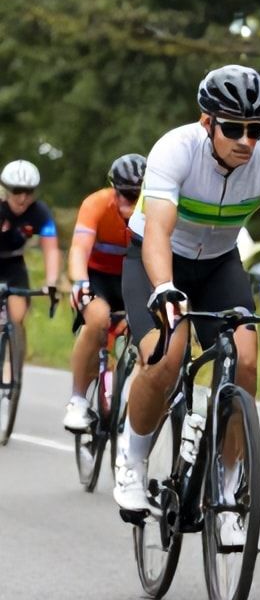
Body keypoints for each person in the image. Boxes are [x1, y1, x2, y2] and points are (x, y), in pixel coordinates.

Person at [112, 64, 260, 546]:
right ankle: (134, 459)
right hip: (156, 261)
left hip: (220, 264)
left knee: (245, 360)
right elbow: (157, 231)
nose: (246, 140)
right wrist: (163, 288)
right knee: (166, 357)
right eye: (233, 128)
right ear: (208, 122)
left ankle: (227, 494)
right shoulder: (175, 148)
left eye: (257, 129)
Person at [63, 155, 142, 431]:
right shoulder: (96, 203)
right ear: (113, 188)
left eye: (135, 196)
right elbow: (79, 249)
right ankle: (77, 400)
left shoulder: (155, 209)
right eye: (122, 194)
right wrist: (79, 281)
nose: (127, 203)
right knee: (97, 319)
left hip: (134, 278)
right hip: (98, 278)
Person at [0, 159, 61, 365]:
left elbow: (51, 249)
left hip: (14, 263)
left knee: (17, 316)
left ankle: (12, 368)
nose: (23, 198)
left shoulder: (39, 212)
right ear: (7, 190)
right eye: (17, 191)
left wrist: (51, 281)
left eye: (28, 191)